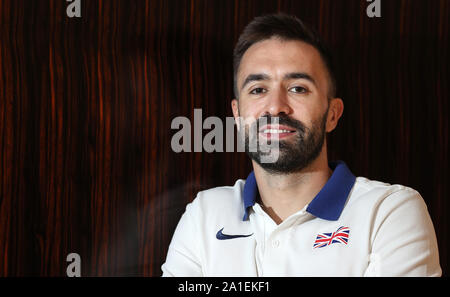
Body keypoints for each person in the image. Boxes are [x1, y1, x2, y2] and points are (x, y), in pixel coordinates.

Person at [161, 13, 441, 276]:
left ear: (332, 114)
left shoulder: (388, 212)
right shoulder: (203, 215)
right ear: (237, 115)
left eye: (298, 88)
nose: (276, 107)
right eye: (258, 89)